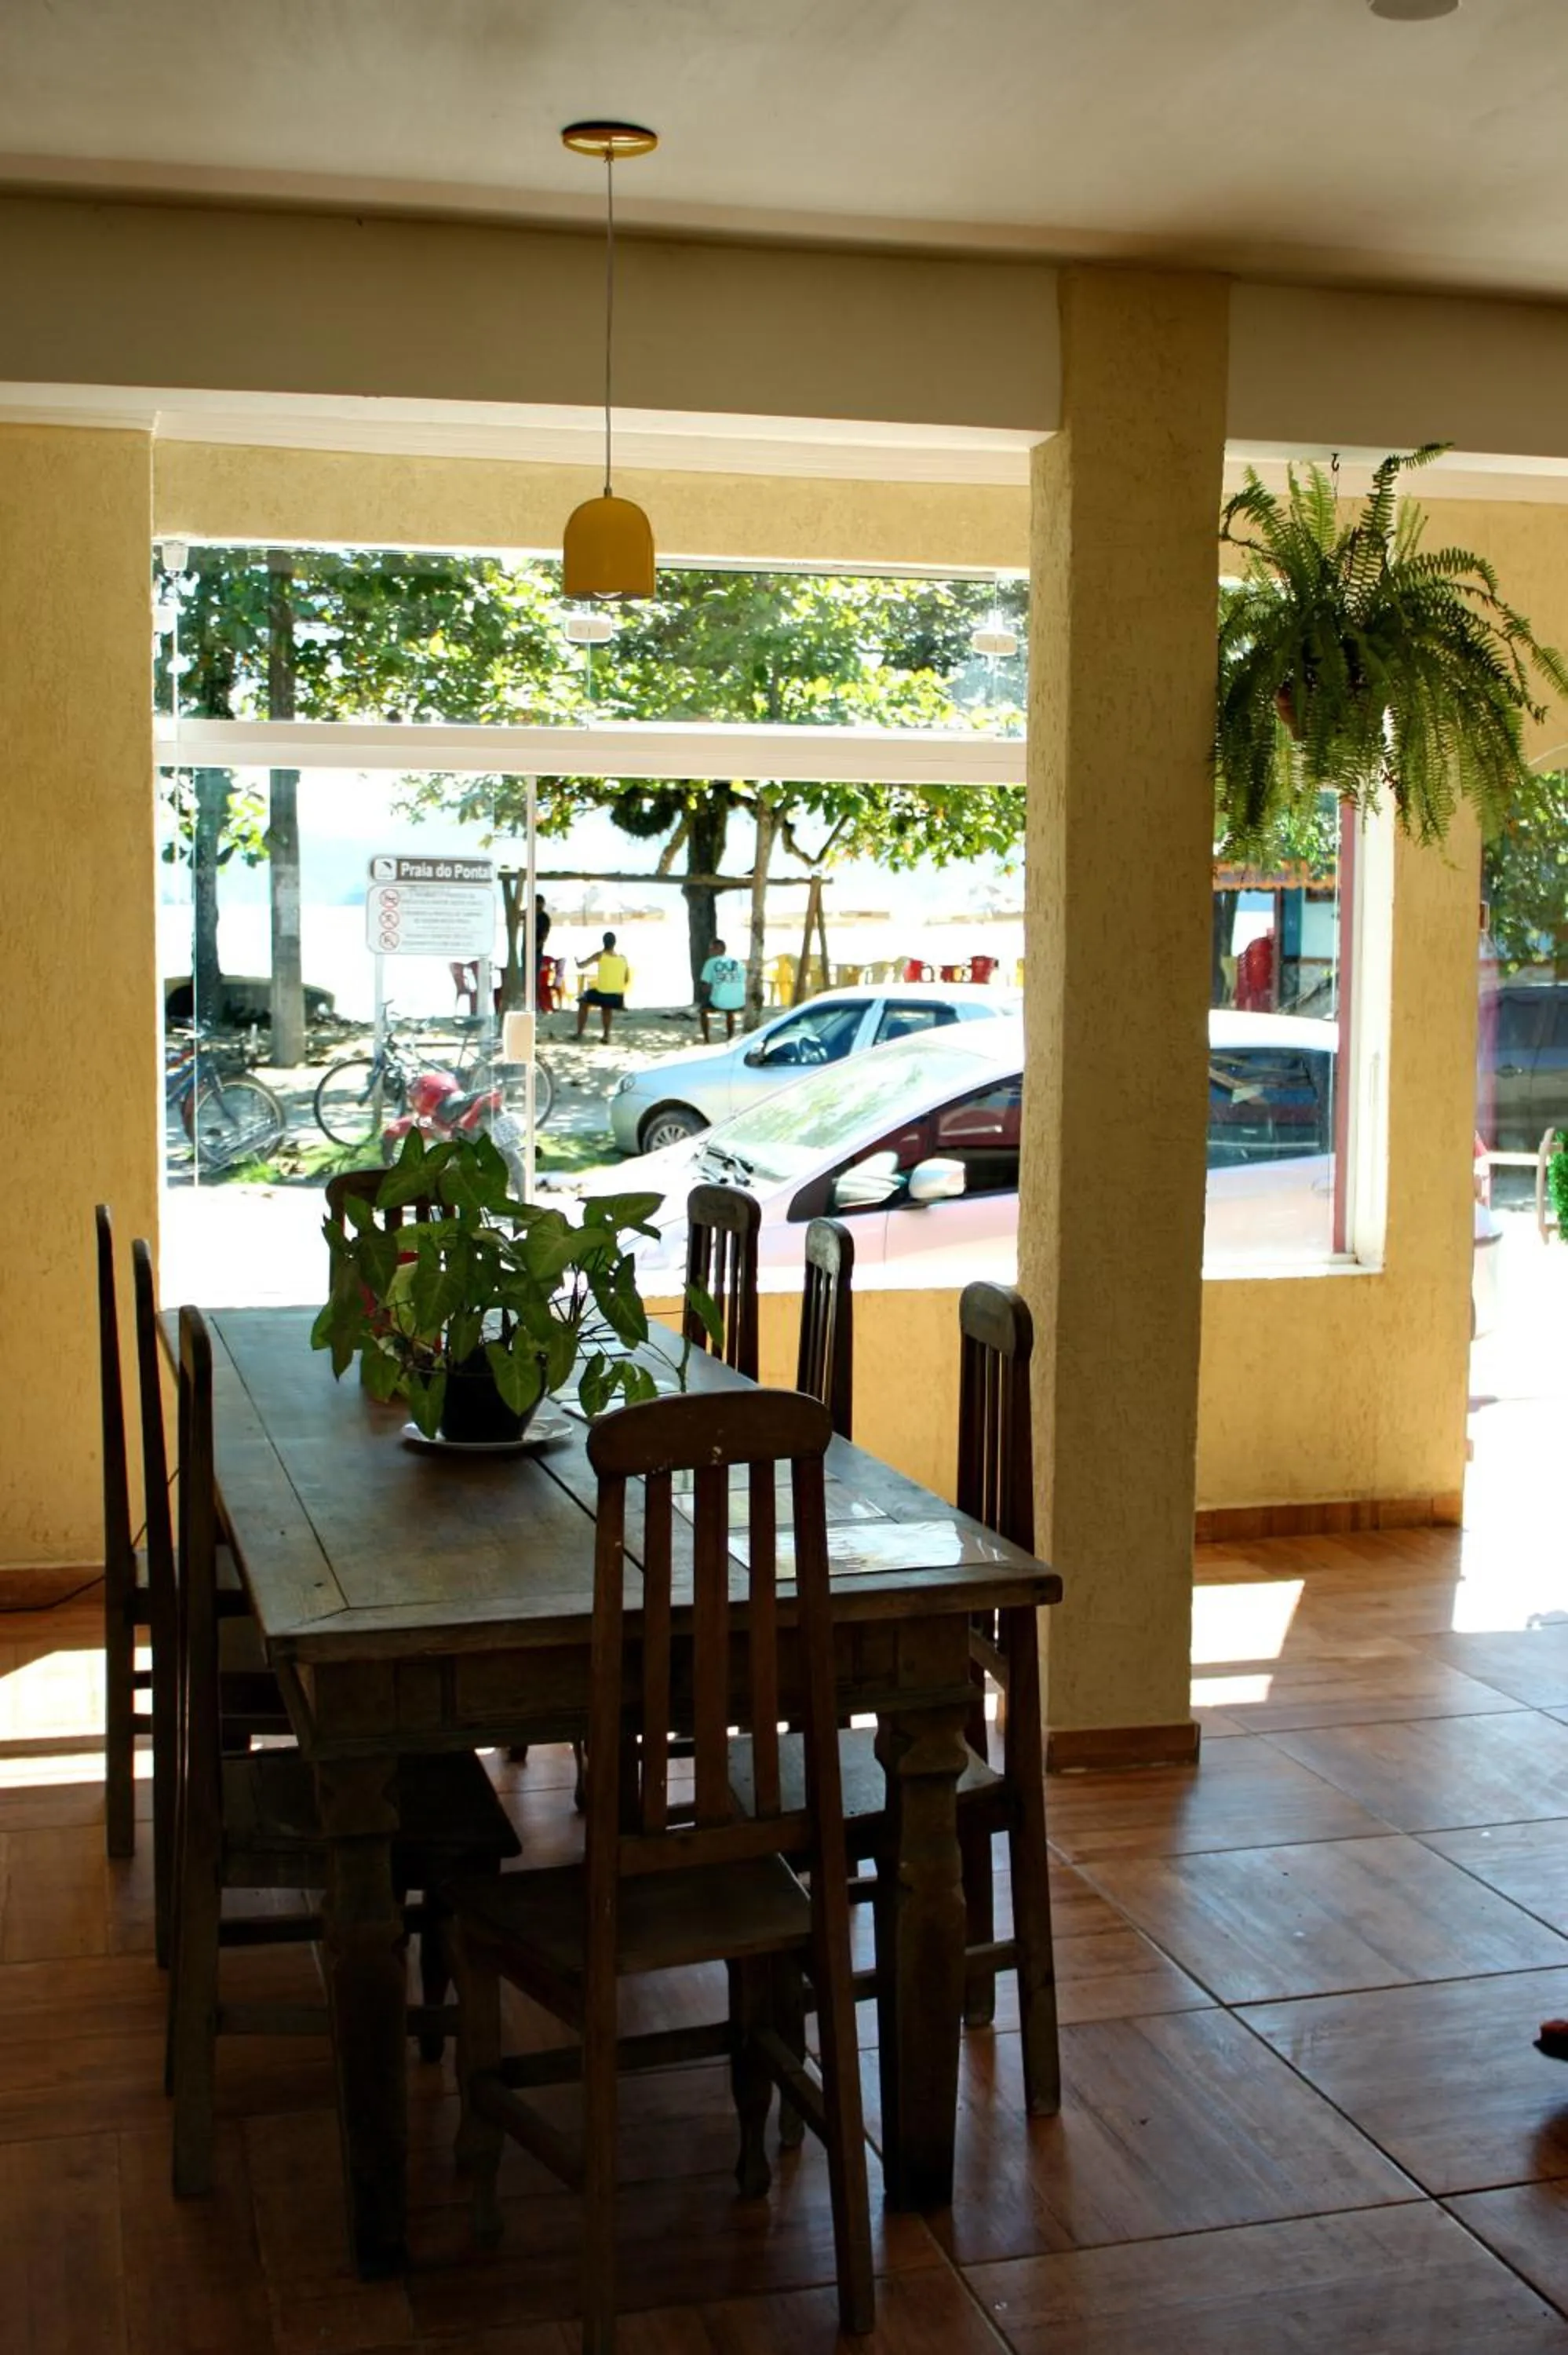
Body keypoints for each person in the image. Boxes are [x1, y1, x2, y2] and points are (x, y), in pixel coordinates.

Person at [575, 930, 632, 1042]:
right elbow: (626, 979)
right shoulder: (623, 958)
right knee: (607, 1007)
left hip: (603, 994)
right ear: (614, 943)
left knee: (583, 1002)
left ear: (603, 942)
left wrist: (577, 962)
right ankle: (606, 1035)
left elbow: (582, 966)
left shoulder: (600, 955)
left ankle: (579, 1033)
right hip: (618, 997)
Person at [698, 938, 746, 1042]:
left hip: (720, 1002)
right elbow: (743, 980)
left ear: (716, 949)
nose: (710, 951)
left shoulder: (710, 962)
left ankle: (706, 1039)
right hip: (739, 1001)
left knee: (703, 1010)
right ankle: (730, 1037)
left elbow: (704, 985)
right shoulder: (738, 962)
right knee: (730, 1010)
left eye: (711, 949)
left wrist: (709, 994)